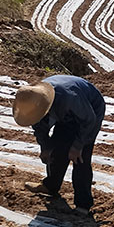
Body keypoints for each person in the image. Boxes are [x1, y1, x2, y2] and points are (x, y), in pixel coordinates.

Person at [13, 75, 106, 215]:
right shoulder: (35, 102)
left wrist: (78, 146)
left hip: (90, 111)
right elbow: (39, 128)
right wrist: (45, 147)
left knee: (80, 158)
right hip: (65, 113)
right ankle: (50, 186)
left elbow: (89, 120)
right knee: (56, 150)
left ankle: (83, 204)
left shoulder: (69, 97)